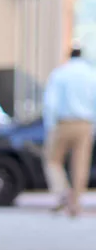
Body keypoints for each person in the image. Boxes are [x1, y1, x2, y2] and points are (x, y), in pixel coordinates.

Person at [43, 46, 96, 216]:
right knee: (81, 164)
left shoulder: (60, 73)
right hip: (85, 124)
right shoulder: (91, 74)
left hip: (63, 123)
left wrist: (50, 126)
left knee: (52, 160)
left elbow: (50, 103)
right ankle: (76, 202)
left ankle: (62, 192)